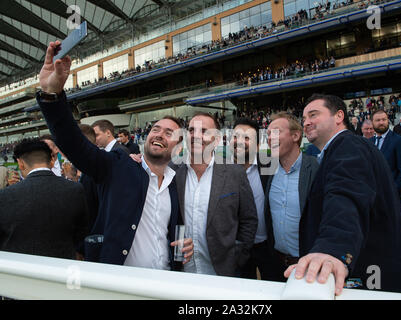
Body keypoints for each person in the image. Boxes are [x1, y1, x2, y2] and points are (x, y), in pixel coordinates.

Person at [36, 40, 193, 271]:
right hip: (119, 285)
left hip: (165, 284)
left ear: (179, 146)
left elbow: (168, 233)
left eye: (169, 133)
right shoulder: (118, 167)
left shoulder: (174, 182)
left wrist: (182, 247)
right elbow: (73, 143)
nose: (158, 134)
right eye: (155, 129)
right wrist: (52, 95)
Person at [284, 94, 401, 296]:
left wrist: (332, 248)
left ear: (338, 116)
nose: (306, 122)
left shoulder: (348, 146)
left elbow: (346, 195)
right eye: (304, 118)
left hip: (382, 282)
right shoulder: (339, 149)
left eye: (313, 115)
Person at [175, 111, 258, 277]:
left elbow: (249, 220)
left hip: (224, 271)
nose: (195, 136)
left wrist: (237, 257)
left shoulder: (235, 173)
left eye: (204, 131)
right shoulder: (173, 172)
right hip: (183, 270)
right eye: (191, 130)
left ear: (218, 139)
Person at [0, 138, 89, 259]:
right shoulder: (75, 189)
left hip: (21, 267)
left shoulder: (6, 195)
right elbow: (82, 231)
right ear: (52, 161)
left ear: (20, 163)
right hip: (64, 264)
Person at [265, 112, 319, 281]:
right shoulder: (269, 171)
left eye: (275, 132)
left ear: (296, 135)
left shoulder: (317, 168)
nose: (269, 138)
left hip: (309, 268)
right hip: (276, 265)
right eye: (267, 134)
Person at [231, 118, 280, 281]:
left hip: (267, 245)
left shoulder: (271, 166)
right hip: (236, 246)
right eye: (236, 136)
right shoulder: (220, 171)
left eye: (247, 138)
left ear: (258, 145)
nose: (239, 142)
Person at [371, 109, 401, 200]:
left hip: (391, 196)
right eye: (378, 120)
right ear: (372, 122)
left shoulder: (399, 141)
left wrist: (394, 191)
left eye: (384, 119)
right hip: (372, 196)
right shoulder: (369, 142)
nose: (381, 122)